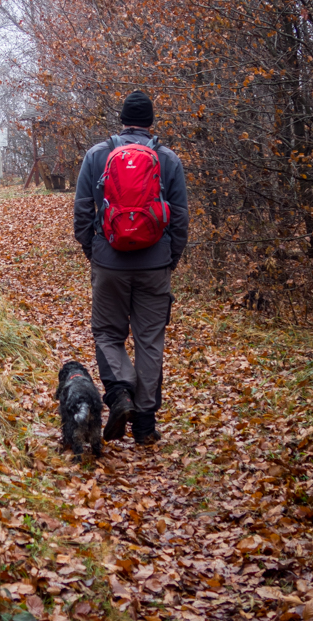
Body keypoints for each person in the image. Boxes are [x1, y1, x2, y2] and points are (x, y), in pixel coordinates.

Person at [73, 90, 188, 444]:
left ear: (122, 120)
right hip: (156, 263)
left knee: (108, 333)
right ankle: (144, 424)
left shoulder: (97, 154)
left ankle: (120, 392)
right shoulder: (167, 159)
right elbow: (180, 217)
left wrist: (94, 251)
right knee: (150, 340)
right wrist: (171, 258)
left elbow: (81, 210)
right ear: (151, 121)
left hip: (110, 261)